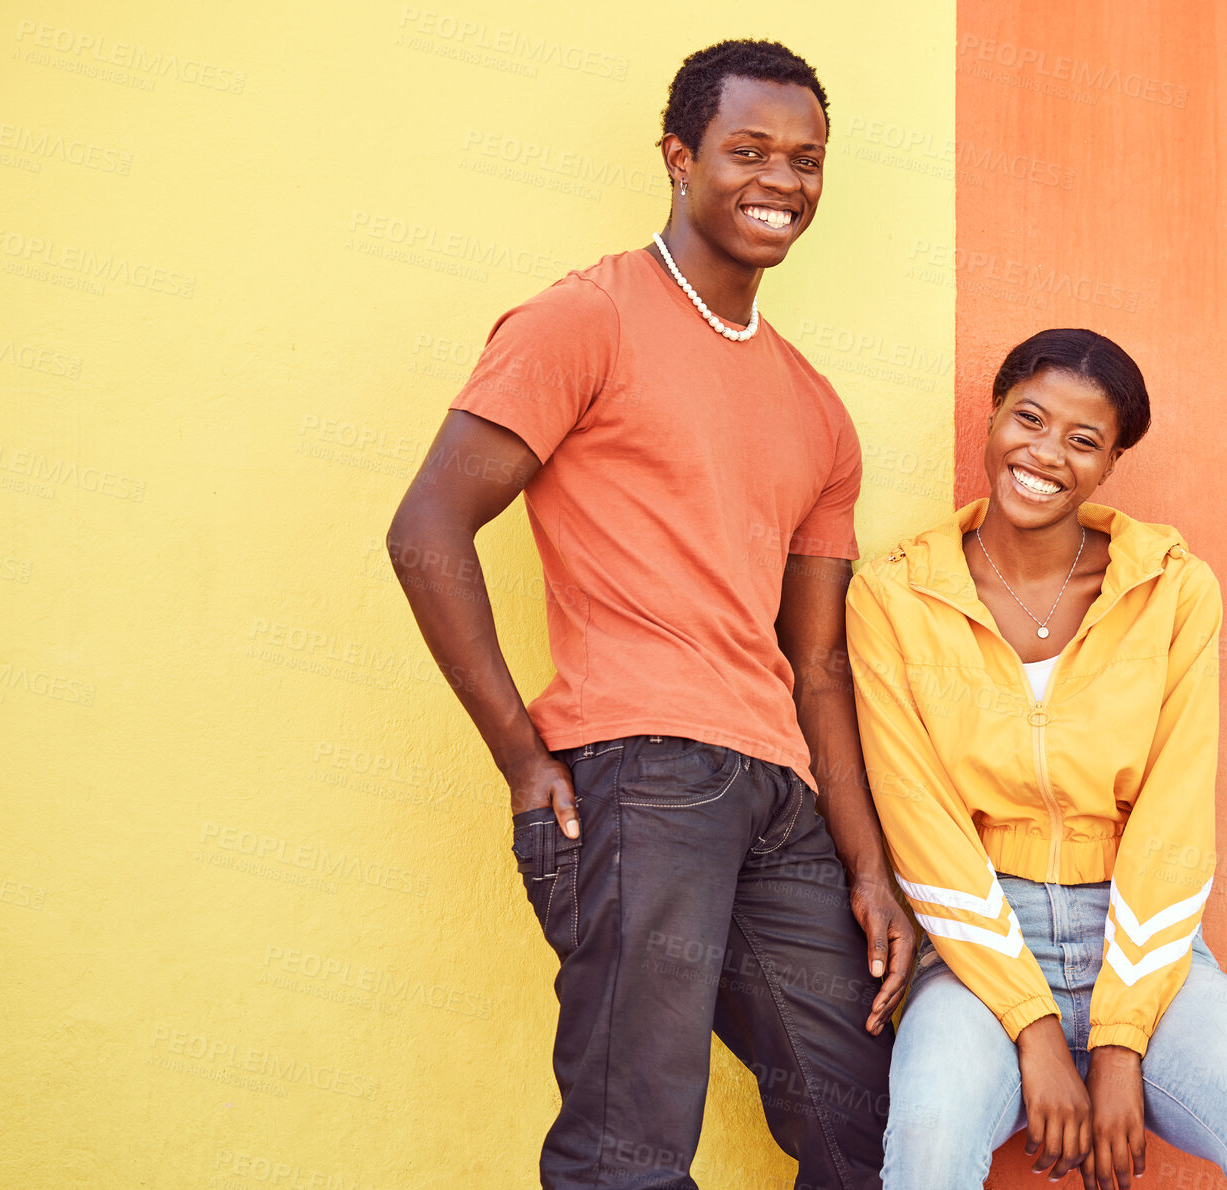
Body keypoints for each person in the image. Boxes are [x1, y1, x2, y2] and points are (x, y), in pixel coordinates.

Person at [386, 40, 909, 1190]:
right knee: (629, 1149)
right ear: (679, 158)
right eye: (750, 151)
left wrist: (867, 864)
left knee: (871, 1130)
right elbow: (426, 532)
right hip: (639, 772)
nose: (782, 179)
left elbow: (814, 661)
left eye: (807, 159)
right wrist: (524, 758)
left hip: (781, 795)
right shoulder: (585, 318)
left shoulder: (819, 410)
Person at [846, 329, 1227, 1190]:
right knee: (924, 1158)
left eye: (1083, 441)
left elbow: (1174, 816)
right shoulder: (894, 593)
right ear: (991, 417)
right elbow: (916, 818)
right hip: (976, 948)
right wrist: (1033, 1028)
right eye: (1027, 419)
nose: (1044, 454)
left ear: (1112, 462)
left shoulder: (1173, 589)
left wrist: (1119, 1042)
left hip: (1142, 941)